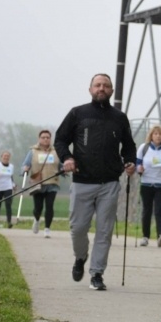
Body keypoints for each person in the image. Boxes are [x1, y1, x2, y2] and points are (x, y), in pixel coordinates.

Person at [55, 73, 137, 291]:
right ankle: (80, 257)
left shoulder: (119, 118)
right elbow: (60, 139)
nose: (102, 88)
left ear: (112, 90)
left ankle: (97, 273)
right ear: (90, 89)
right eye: (98, 85)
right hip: (82, 181)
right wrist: (67, 158)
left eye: (106, 85)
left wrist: (130, 162)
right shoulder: (77, 113)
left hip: (109, 183)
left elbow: (129, 146)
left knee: (104, 231)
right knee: (78, 228)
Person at [136, 125, 161, 248]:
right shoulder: (144, 148)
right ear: (151, 136)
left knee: (159, 210)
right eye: (155, 134)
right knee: (146, 210)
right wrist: (139, 169)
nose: (158, 136)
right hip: (146, 183)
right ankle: (145, 236)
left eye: (160, 134)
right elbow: (138, 163)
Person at [22, 130, 63, 238]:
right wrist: (25, 169)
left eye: (48, 137)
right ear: (39, 139)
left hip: (52, 183)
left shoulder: (56, 151)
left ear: (50, 139)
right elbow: (25, 165)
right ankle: (36, 220)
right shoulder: (33, 151)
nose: (45, 139)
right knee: (38, 207)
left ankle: (47, 229)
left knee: (49, 206)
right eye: (43, 137)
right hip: (37, 183)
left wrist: (64, 169)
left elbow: (61, 165)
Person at [0, 150, 16, 228]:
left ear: (9, 157)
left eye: (8, 156)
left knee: (8, 204)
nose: (6, 157)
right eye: (5, 156)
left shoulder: (11, 166)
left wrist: (13, 185)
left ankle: (9, 222)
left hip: (8, 187)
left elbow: (11, 177)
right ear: (1, 157)